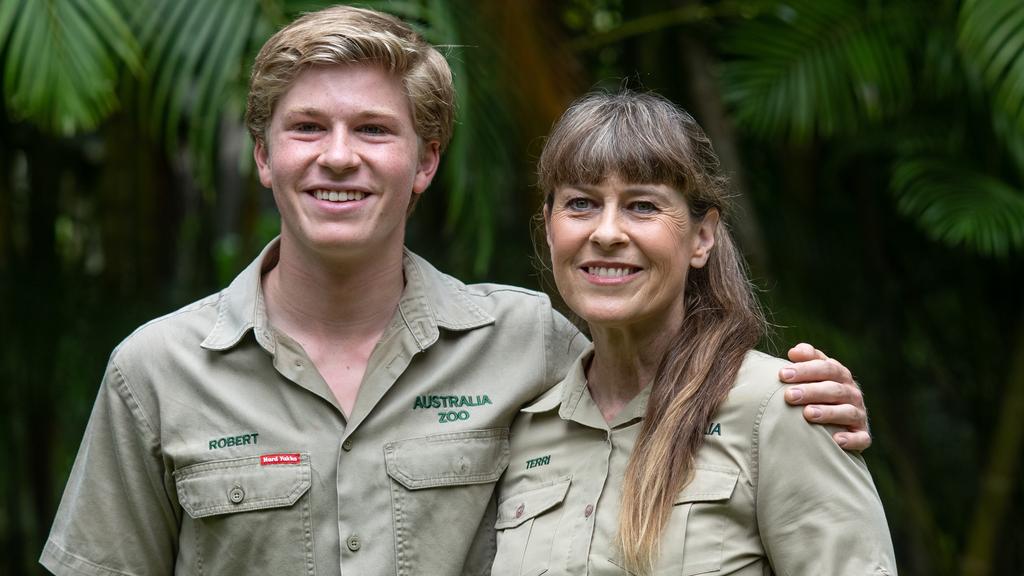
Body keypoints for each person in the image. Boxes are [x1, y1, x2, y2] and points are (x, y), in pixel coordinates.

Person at [41, 7, 871, 576]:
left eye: (373, 129)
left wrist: (807, 407)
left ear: (426, 161)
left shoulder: (529, 344)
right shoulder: (153, 372)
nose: (338, 157)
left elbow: (667, 382)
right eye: (305, 129)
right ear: (264, 156)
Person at [493, 90, 897, 576]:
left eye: (642, 206)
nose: (606, 232)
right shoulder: (525, 429)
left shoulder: (779, 410)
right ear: (549, 227)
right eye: (580, 203)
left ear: (702, 237)